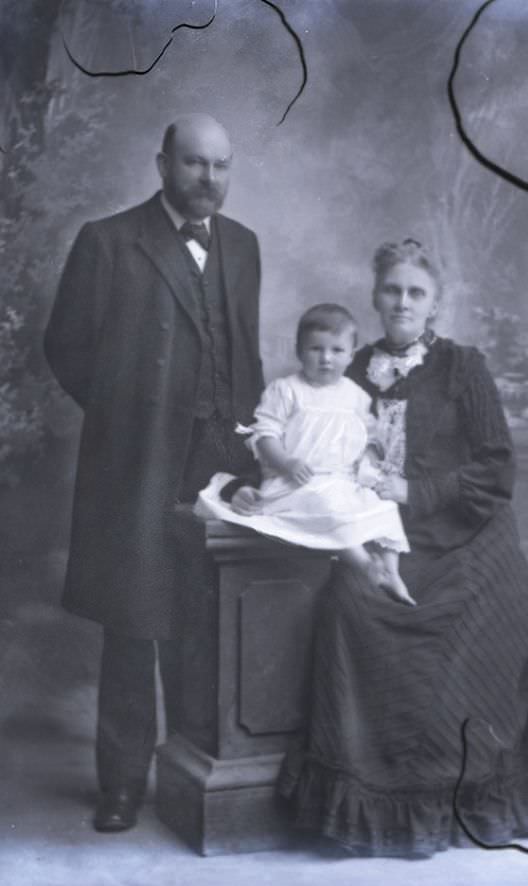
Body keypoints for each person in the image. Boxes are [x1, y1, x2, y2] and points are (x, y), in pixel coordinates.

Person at [272, 239, 528, 857]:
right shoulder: (347, 368)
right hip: (385, 535)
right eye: (392, 290)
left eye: (416, 293)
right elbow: (304, 444)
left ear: (435, 304)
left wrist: (412, 487)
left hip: (468, 536)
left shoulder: (464, 367)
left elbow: (496, 467)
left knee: (471, 623)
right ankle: (368, 808)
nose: (402, 302)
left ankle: (454, 799)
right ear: (375, 295)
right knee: (350, 605)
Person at [43, 114, 264, 833]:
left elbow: (246, 355)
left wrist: (244, 441)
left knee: (205, 621)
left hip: (218, 466)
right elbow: (66, 347)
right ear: (162, 163)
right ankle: (122, 786)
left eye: (222, 166)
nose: (210, 180)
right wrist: (124, 419)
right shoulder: (108, 241)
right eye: (196, 164)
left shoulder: (243, 245)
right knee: (134, 627)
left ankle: (199, 777)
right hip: (136, 463)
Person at [195, 303, 414, 605]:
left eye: (337, 350)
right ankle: (366, 567)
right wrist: (286, 462)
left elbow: (369, 439)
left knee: (384, 507)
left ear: (351, 355)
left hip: (341, 480)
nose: (326, 358)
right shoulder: (286, 390)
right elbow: (265, 435)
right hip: (295, 483)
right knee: (327, 507)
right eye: (316, 349)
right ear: (299, 351)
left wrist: (371, 468)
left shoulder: (355, 396)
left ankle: (392, 572)